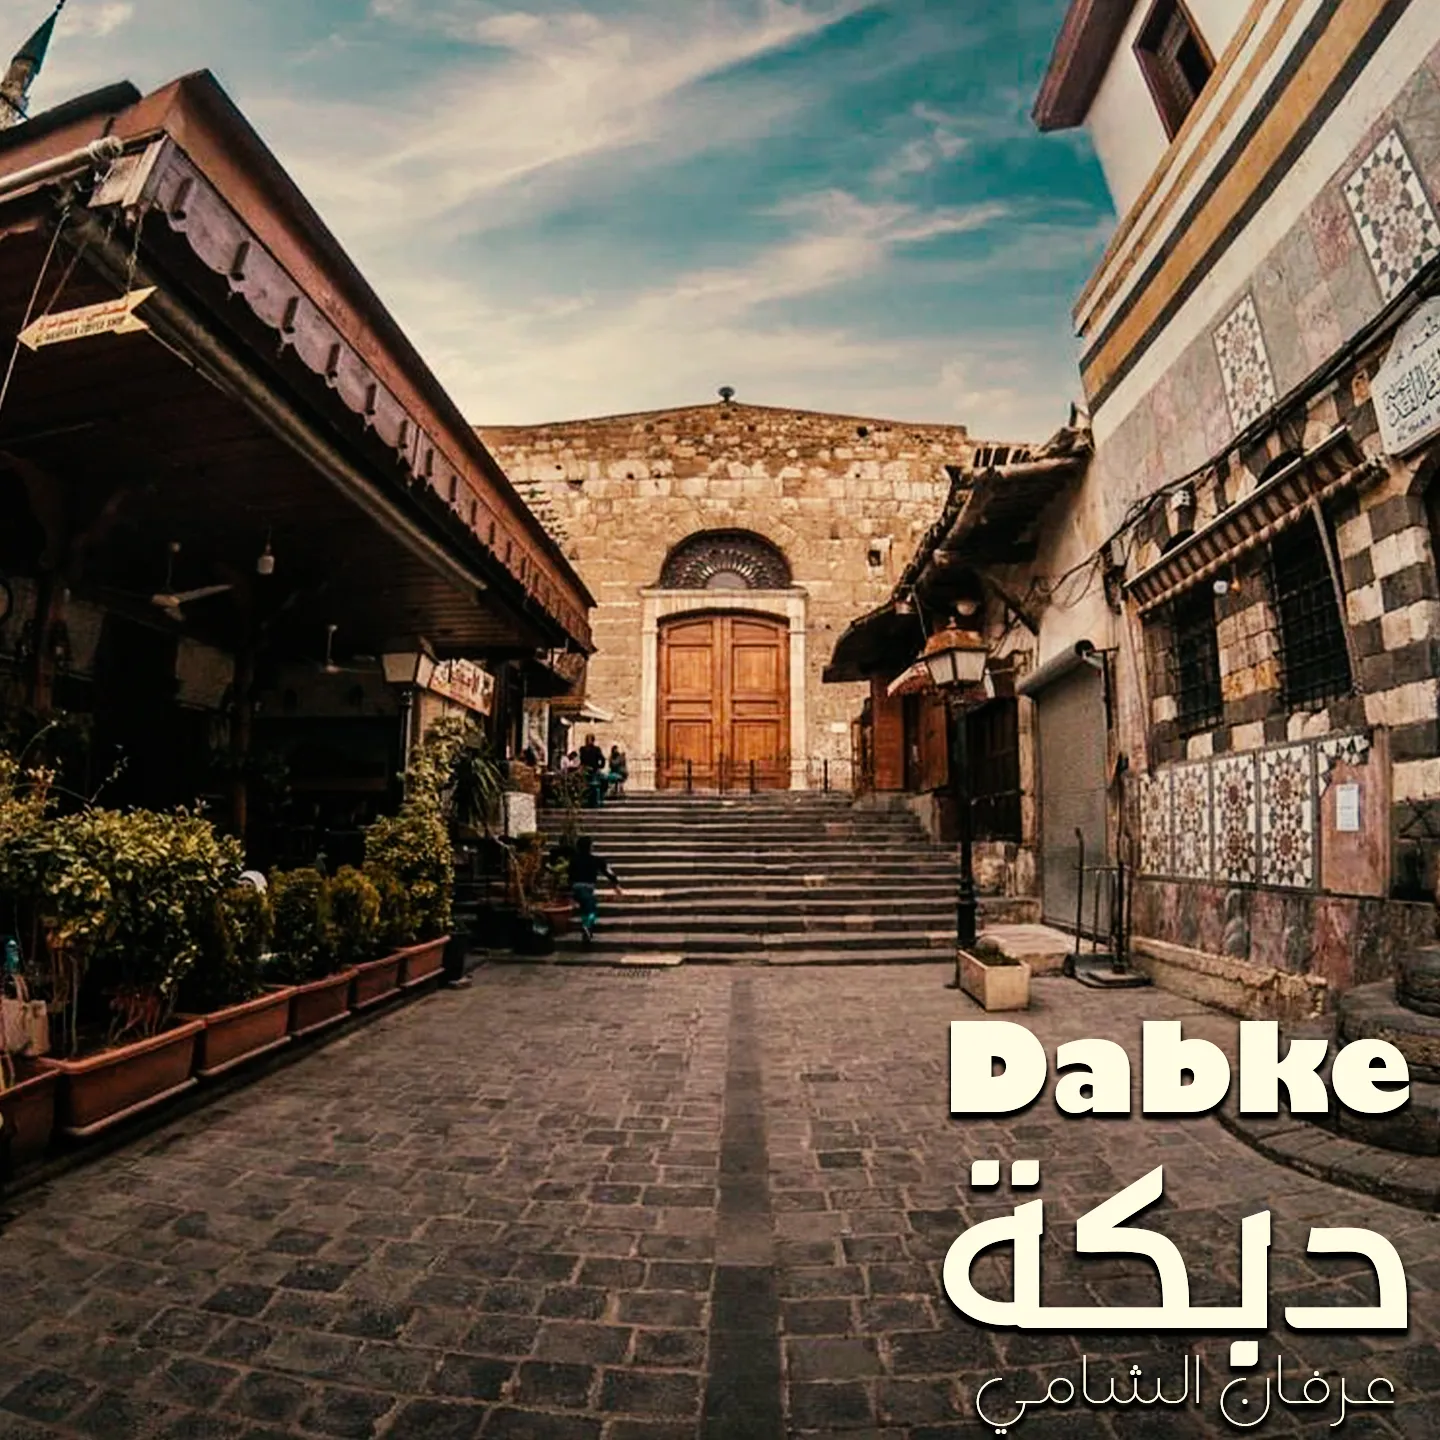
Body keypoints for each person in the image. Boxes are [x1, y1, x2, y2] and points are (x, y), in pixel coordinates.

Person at [570, 836, 622, 944]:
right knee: (592, 909)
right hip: (587, 889)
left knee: (585, 908)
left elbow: (570, 876)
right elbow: (608, 872)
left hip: (577, 889)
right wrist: (616, 884)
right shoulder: (596, 860)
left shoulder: (573, 860)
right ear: (590, 847)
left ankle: (587, 929)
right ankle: (587, 926)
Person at [579, 732, 607, 806]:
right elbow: (581, 760)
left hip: (594, 769)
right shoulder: (582, 749)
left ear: (593, 740)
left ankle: (598, 799)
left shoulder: (596, 749)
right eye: (587, 739)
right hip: (585, 770)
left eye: (589, 740)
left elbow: (602, 759)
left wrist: (600, 767)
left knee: (601, 781)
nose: (587, 741)